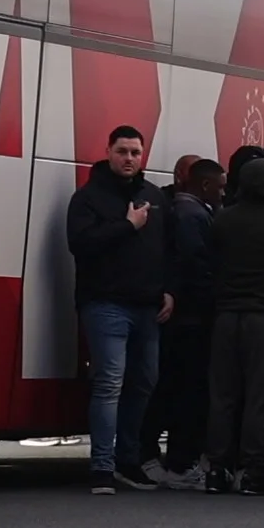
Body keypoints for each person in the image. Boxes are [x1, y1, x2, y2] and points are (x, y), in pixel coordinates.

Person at [65, 125, 173, 495]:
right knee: (110, 383)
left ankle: (129, 460)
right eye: (123, 151)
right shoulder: (88, 198)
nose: (129, 159)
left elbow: (168, 249)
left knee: (144, 383)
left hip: (148, 307)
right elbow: (80, 244)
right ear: (108, 151)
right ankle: (102, 467)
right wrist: (127, 226)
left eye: (135, 153)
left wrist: (169, 290)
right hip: (106, 304)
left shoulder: (154, 196)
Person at [201, 158, 264, 496]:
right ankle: (253, 470)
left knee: (223, 396)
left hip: (226, 317)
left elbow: (209, 267)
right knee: (262, 399)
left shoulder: (222, 221)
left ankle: (217, 469)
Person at [142, 158, 224, 490]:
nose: (224, 192)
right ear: (204, 185)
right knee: (186, 391)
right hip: (191, 318)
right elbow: (196, 265)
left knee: (172, 389)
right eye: (220, 186)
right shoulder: (192, 215)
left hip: (181, 316)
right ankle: (179, 461)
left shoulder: (179, 209)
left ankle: (163, 456)